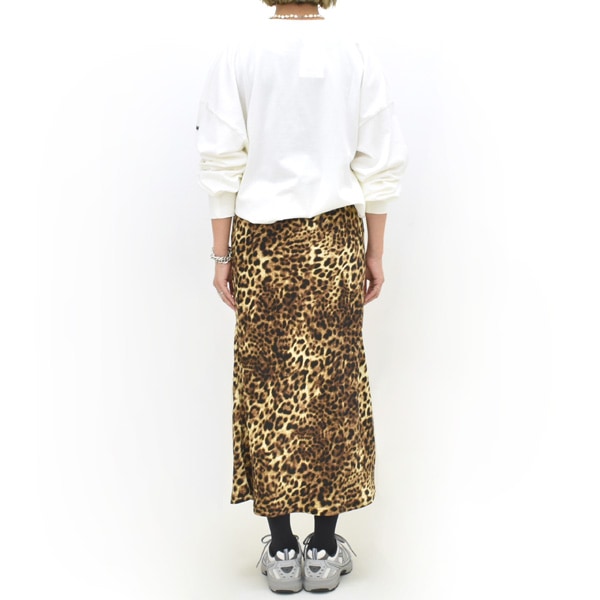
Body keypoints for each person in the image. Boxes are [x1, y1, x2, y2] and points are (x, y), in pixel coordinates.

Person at [195, 0, 408, 593]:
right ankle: (324, 550)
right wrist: (375, 251)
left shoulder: (239, 51)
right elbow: (379, 161)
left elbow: (221, 159)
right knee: (332, 390)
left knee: (267, 389)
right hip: (334, 239)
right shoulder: (354, 50)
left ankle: (283, 550)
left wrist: (221, 255)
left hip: (261, 241)